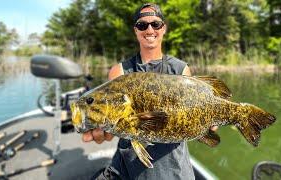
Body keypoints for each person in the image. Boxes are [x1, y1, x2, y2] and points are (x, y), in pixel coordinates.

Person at [83, 3, 217, 179]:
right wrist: (98, 123)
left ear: (164, 28)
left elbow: (191, 115)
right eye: (142, 25)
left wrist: (205, 125)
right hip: (128, 169)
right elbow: (114, 121)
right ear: (136, 30)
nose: (149, 29)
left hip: (174, 170)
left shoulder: (180, 69)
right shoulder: (120, 72)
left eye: (155, 24)